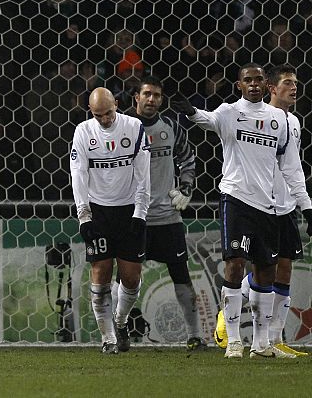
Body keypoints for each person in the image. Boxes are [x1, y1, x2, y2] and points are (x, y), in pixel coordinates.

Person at [174, 63, 312, 358]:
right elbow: (207, 121)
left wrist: (307, 206)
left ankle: (261, 344)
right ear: (239, 85)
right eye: (247, 80)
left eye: (258, 80)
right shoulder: (229, 112)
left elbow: (291, 167)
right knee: (235, 264)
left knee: (266, 273)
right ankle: (234, 340)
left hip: (269, 205)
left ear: (266, 85)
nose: (253, 84)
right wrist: (190, 112)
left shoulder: (280, 119)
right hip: (236, 198)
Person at [216, 65, 310, 357]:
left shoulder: (290, 121)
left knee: (281, 269)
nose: (294, 88)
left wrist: (304, 204)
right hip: (256, 203)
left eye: (296, 83)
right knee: (244, 263)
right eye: (287, 83)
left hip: (285, 205)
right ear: (272, 88)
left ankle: (271, 341)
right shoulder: (244, 116)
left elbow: (292, 167)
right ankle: (229, 323)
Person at [70, 87, 151, 354]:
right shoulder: (83, 131)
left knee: (131, 277)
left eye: (108, 113)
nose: (104, 119)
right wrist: (84, 216)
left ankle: (121, 320)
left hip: (128, 210)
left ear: (117, 104)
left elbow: (143, 174)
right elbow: (78, 173)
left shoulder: (134, 127)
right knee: (100, 273)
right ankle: (108, 339)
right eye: (98, 115)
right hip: (98, 212)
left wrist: (140, 213)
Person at [132, 76, 205, 350]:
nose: (152, 100)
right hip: (134, 218)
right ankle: (118, 330)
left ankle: (195, 334)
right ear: (136, 98)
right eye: (147, 94)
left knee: (181, 277)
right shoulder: (124, 129)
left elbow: (188, 158)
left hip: (167, 218)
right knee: (127, 279)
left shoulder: (172, 127)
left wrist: (186, 188)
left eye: (157, 96)